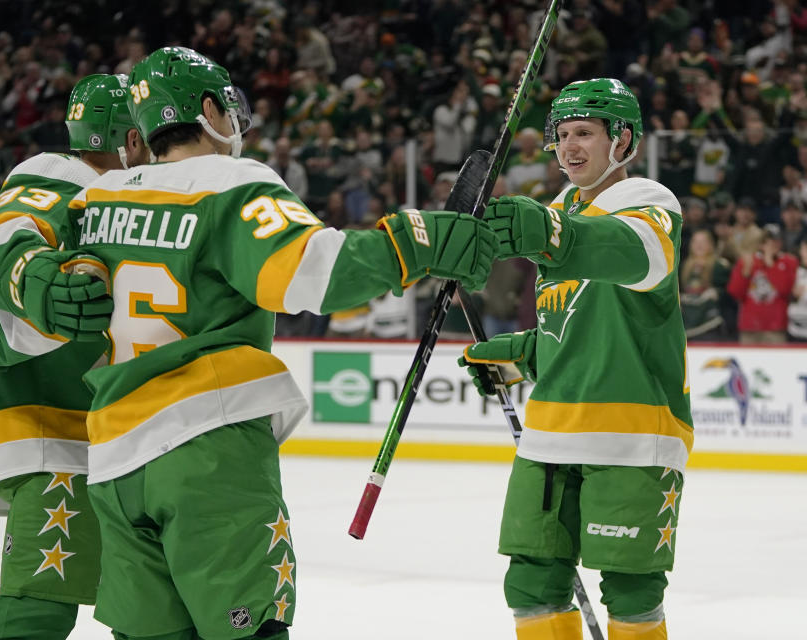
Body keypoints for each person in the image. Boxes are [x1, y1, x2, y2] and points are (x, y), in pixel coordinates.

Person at [65, 46, 498, 640]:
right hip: (205, 450)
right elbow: (319, 274)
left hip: (112, 460)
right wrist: (421, 240)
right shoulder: (231, 183)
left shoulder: (94, 201)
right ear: (210, 109)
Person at [0, 73, 148, 640]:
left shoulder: (148, 200)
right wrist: (12, 311)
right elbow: (4, 253)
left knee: (149, 611)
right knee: (39, 606)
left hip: (132, 441)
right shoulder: (61, 178)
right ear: (127, 137)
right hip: (57, 434)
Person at [460, 78, 692, 640]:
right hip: (549, 432)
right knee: (530, 586)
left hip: (633, 435)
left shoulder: (650, 204)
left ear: (624, 139)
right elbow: (568, 331)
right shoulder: (558, 212)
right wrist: (515, 357)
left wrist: (552, 233)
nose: (569, 148)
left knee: (633, 590)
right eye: (561, 136)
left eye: (584, 133)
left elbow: (631, 253)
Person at [727, 223, 799, 344]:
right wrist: (745, 273)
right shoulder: (748, 261)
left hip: (775, 328)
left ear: (781, 243)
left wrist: (770, 264)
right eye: (767, 241)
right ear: (760, 244)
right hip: (749, 327)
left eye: (776, 240)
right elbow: (735, 293)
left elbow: (785, 290)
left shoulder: (789, 261)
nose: (772, 244)